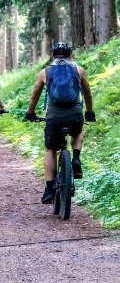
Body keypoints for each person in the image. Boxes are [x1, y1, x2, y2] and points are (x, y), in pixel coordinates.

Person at [25, 42, 96, 204]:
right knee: (77, 132)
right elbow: (87, 93)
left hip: (54, 116)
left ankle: (49, 189)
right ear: (70, 54)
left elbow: (35, 96)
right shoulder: (79, 70)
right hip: (74, 114)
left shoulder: (45, 72)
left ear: (53, 55)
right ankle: (76, 158)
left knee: (51, 149)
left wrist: (30, 113)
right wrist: (89, 112)